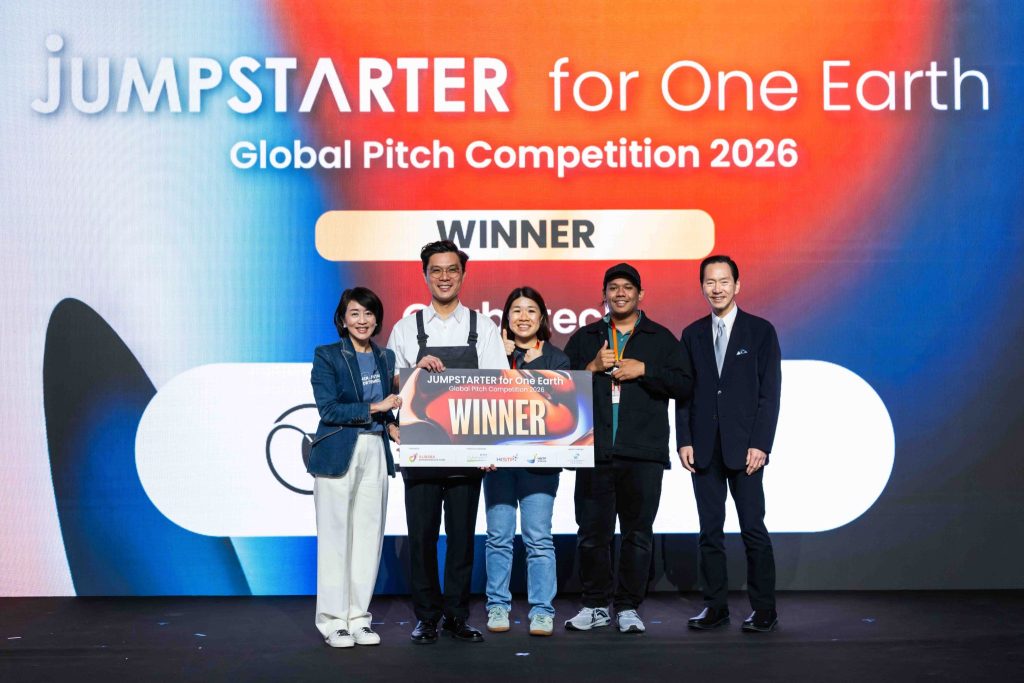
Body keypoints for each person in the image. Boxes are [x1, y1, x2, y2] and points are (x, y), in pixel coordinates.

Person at [387, 240, 506, 644]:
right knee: (421, 538)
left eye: (451, 269)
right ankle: (426, 617)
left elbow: (497, 388)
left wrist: (491, 448)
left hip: (466, 451)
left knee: (461, 539)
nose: (444, 277)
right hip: (421, 448)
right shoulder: (406, 328)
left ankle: (456, 615)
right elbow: (391, 385)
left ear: (462, 275)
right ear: (425, 275)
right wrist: (412, 372)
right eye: (436, 270)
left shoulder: (481, 326)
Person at [563, 263, 693, 634]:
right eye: (613, 287)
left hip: (643, 453)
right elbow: (558, 389)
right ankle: (594, 605)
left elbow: (684, 385)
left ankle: (627, 607)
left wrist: (645, 370)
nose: (620, 293)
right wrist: (590, 367)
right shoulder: (586, 337)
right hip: (594, 451)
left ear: (640, 294)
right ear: (604, 294)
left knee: (638, 534)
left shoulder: (660, 338)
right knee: (592, 534)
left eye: (627, 287)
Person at [676, 255, 782, 633]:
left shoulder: (760, 331)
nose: (717, 288)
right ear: (702, 287)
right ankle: (715, 607)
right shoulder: (692, 334)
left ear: (737, 285)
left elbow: (769, 394)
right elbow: (684, 394)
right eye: (710, 282)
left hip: (746, 449)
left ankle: (764, 609)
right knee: (710, 531)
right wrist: (684, 439)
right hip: (704, 448)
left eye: (724, 281)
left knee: (753, 528)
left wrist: (761, 444)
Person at [308, 287, 402, 648]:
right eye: (354, 313)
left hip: (376, 449)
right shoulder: (328, 355)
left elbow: (387, 407)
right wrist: (377, 409)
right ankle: (333, 621)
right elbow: (328, 409)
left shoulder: (386, 357)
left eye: (368, 313)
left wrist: (390, 424)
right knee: (335, 537)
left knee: (368, 536)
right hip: (339, 452)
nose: (362, 320)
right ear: (343, 319)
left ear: (377, 319)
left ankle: (359, 617)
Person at [484, 287, 570, 637]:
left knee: (538, 538)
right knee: (498, 537)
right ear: (506, 318)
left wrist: (532, 367)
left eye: (531, 310)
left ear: (542, 318)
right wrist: (499, 361)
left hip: (540, 464)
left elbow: (560, 410)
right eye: (516, 310)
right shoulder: (491, 355)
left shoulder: (557, 358)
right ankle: (497, 605)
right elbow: (478, 404)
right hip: (499, 463)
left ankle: (542, 610)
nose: (523, 317)